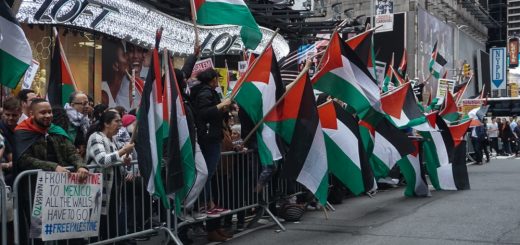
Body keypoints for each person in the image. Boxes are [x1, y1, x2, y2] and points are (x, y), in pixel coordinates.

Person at [14, 98, 89, 245]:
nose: (48, 115)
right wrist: (53, 167)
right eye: (43, 113)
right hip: (35, 190)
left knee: (64, 229)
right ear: (31, 114)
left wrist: (81, 165)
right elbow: (24, 159)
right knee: (39, 231)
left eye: (49, 112)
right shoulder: (22, 132)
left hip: (60, 190)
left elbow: (71, 152)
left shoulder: (57, 131)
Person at [190, 69, 232, 242]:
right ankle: (207, 202)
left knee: (210, 173)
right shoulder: (205, 93)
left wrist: (223, 108)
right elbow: (204, 114)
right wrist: (221, 105)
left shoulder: (205, 92)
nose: (218, 81)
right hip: (209, 138)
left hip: (211, 137)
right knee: (207, 172)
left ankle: (210, 207)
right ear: (213, 79)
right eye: (217, 79)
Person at [86, 110, 134, 241]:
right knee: (98, 224)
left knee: (110, 223)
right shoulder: (96, 137)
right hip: (99, 190)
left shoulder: (112, 139)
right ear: (106, 123)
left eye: (121, 121)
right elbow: (102, 160)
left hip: (113, 189)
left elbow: (115, 159)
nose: (120, 124)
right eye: (117, 121)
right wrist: (123, 151)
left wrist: (124, 161)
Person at [0, 97, 21, 185]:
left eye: (14, 115)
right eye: (7, 114)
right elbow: (10, 156)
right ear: (2, 113)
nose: (10, 118)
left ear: (20, 114)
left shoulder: (20, 130)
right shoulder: (1, 129)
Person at [65, 92, 91, 157]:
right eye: (84, 104)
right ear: (72, 105)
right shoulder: (64, 120)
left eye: (88, 103)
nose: (87, 106)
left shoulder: (86, 120)